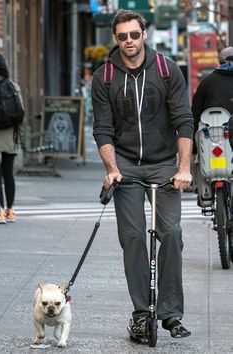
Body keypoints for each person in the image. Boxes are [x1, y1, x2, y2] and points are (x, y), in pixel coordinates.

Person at [91, 10, 193, 343]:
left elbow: (183, 121)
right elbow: (103, 129)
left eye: (134, 35)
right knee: (133, 237)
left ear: (144, 34)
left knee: (171, 232)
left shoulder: (167, 70)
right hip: (126, 166)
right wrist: (112, 169)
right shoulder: (104, 77)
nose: (129, 42)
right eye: (123, 37)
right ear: (115, 39)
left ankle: (171, 312)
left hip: (165, 163)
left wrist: (184, 168)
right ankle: (140, 314)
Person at [0, 53, 24, 224]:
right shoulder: (13, 86)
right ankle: (11, 210)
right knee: (8, 173)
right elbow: (21, 113)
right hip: (11, 135)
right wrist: (18, 134)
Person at [192, 46, 233, 138]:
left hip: (215, 137)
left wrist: (195, 145)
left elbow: (195, 113)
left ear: (220, 62)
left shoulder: (206, 82)